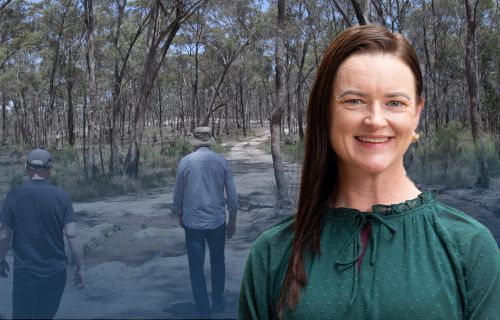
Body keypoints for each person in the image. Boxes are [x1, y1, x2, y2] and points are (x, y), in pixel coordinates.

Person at [238, 25, 500, 319]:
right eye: (354, 101)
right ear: (325, 112)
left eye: (395, 103)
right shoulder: (272, 253)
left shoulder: (471, 247)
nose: (375, 120)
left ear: (416, 114)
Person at [0, 148, 84, 319]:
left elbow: (4, 235)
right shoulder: (62, 196)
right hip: (55, 273)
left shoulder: (14, 196)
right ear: (49, 168)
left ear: (26, 168)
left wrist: (1, 260)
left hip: (25, 274)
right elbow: (72, 235)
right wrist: (79, 267)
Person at [173, 126, 239, 318]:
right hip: (217, 222)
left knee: (196, 267)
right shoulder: (221, 162)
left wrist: (179, 214)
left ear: (194, 142)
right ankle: (217, 303)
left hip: (192, 223)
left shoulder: (185, 162)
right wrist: (232, 221)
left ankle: (203, 309)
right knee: (218, 262)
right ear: (210, 141)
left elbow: (178, 194)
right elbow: (232, 195)